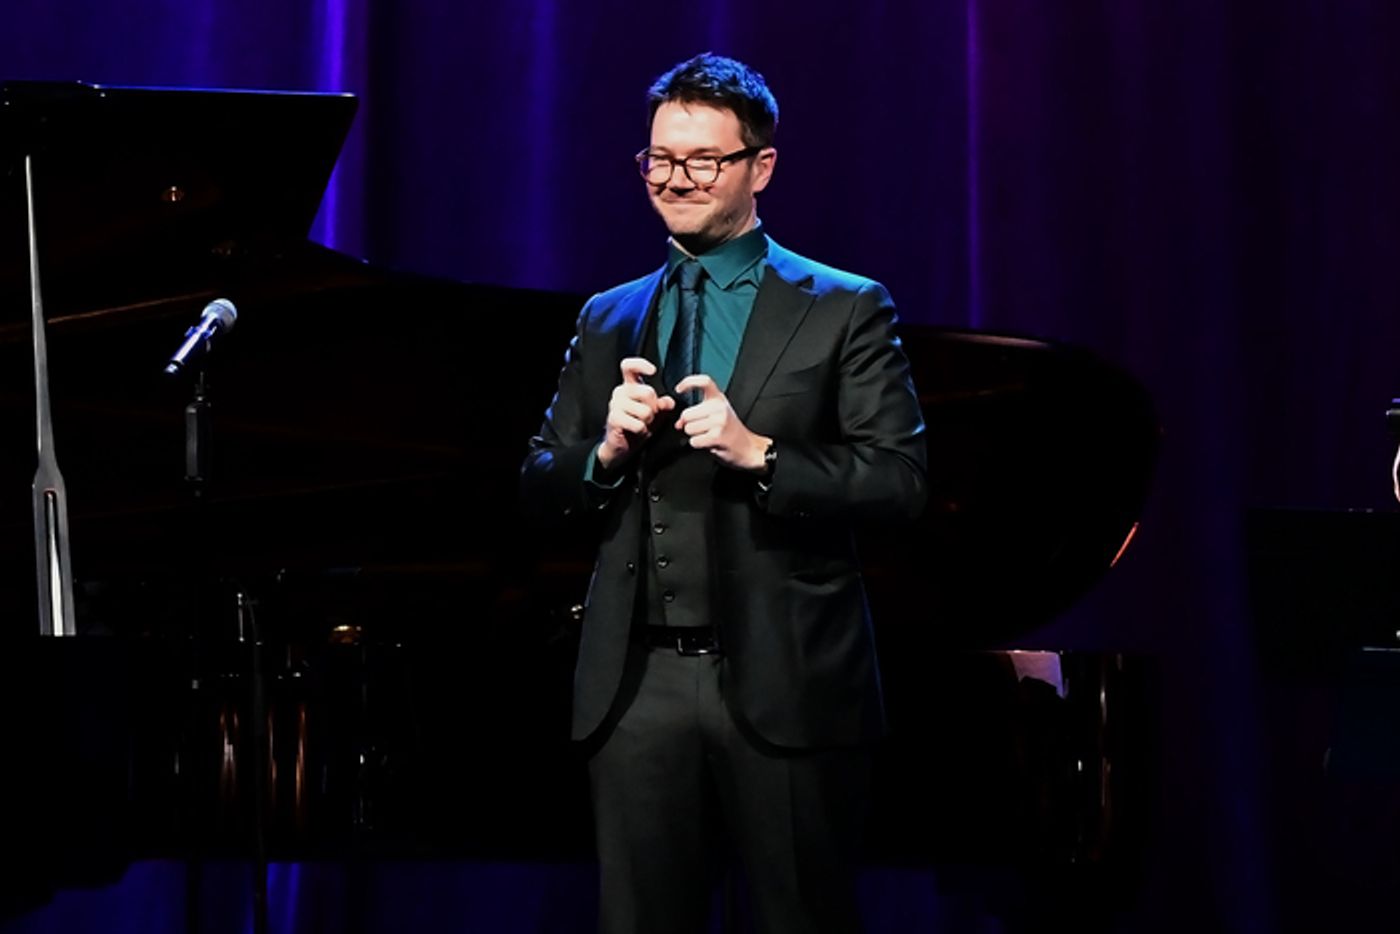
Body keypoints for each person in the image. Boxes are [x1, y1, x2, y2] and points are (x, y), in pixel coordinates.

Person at [520, 52, 927, 934]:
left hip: (786, 680)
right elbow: (541, 482)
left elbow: (898, 482)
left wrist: (763, 454)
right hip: (636, 692)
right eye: (661, 160)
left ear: (759, 167)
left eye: (703, 161)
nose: (677, 180)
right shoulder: (609, 315)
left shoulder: (843, 307)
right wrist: (606, 451)